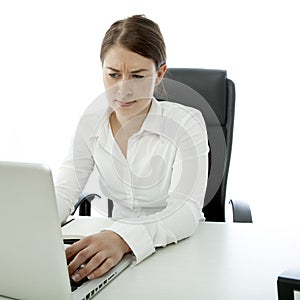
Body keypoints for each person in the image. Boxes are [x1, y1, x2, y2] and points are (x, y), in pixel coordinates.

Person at [55, 14, 209, 283]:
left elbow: (185, 211)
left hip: (179, 248)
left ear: (159, 74)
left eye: (137, 76)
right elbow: (65, 190)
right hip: (115, 253)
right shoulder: (91, 123)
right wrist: (28, 225)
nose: (122, 91)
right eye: (113, 75)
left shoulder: (187, 122)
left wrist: (123, 238)